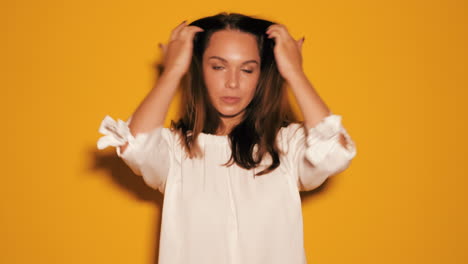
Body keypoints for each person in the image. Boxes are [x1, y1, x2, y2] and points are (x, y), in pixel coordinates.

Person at [97, 12, 357, 264]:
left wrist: (295, 73)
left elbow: (333, 153)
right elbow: (137, 145)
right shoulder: (175, 151)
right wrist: (173, 71)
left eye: (247, 70)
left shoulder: (288, 146)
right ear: (199, 69)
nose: (232, 82)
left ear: (261, 75)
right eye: (218, 66)